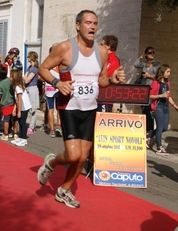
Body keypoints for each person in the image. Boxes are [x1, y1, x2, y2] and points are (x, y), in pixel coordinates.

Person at [37, 10, 125, 208]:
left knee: (83, 157)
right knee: (73, 156)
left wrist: (111, 80)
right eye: (88, 23)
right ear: (78, 25)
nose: (92, 26)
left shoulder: (102, 52)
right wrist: (57, 83)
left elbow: (101, 80)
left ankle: (63, 190)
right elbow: (43, 69)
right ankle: (51, 163)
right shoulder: (65, 48)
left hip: (90, 108)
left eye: (95, 23)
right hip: (69, 107)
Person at [147, 64, 178, 155]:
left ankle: (149, 135)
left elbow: (168, 96)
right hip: (158, 107)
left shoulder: (167, 83)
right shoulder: (156, 83)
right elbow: (150, 95)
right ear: (162, 72)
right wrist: (160, 95)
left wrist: (175, 106)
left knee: (165, 127)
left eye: (169, 72)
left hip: (166, 106)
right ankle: (159, 147)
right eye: (167, 72)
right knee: (159, 127)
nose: (169, 74)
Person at [134, 46, 161, 147]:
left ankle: (149, 132)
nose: (152, 54)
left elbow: (159, 76)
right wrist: (141, 56)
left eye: (153, 53)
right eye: (149, 53)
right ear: (146, 54)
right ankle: (144, 131)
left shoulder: (157, 64)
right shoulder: (144, 63)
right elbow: (135, 64)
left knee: (149, 110)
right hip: (143, 89)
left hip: (152, 89)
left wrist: (149, 76)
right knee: (144, 109)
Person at [98, 35, 120, 113]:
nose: (99, 46)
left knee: (101, 123)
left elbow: (103, 77)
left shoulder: (113, 60)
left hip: (105, 98)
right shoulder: (105, 58)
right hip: (97, 97)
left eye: (101, 44)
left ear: (108, 46)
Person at [10, 69, 32, 147]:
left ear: (14, 78)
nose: (10, 78)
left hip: (24, 106)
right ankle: (20, 137)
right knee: (20, 121)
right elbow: (16, 100)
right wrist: (14, 109)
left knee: (22, 122)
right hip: (21, 106)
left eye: (11, 77)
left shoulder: (18, 87)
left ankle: (24, 139)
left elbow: (20, 99)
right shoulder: (16, 86)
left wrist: (19, 111)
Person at [45, 44, 62, 138]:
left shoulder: (46, 62)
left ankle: (52, 130)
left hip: (50, 89)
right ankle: (58, 127)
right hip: (58, 88)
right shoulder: (59, 62)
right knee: (59, 109)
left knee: (50, 110)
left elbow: (40, 76)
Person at [0, 64, 15, 141]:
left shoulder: (0, 84)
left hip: (5, 103)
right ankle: (11, 132)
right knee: (12, 119)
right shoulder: (10, 80)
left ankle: (5, 133)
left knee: (5, 120)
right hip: (12, 102)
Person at [23, 51, 40, 135]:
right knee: (29, 108)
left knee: (32, 109)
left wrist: (24, 78)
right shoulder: (29, 68)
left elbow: (26, 80)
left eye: (28, 57)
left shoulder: (34, 69)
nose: (27, 58)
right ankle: (32, 126)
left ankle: (31, 127)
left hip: (32, 89)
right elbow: (25, 78)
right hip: (28, 89)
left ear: (31, 58)